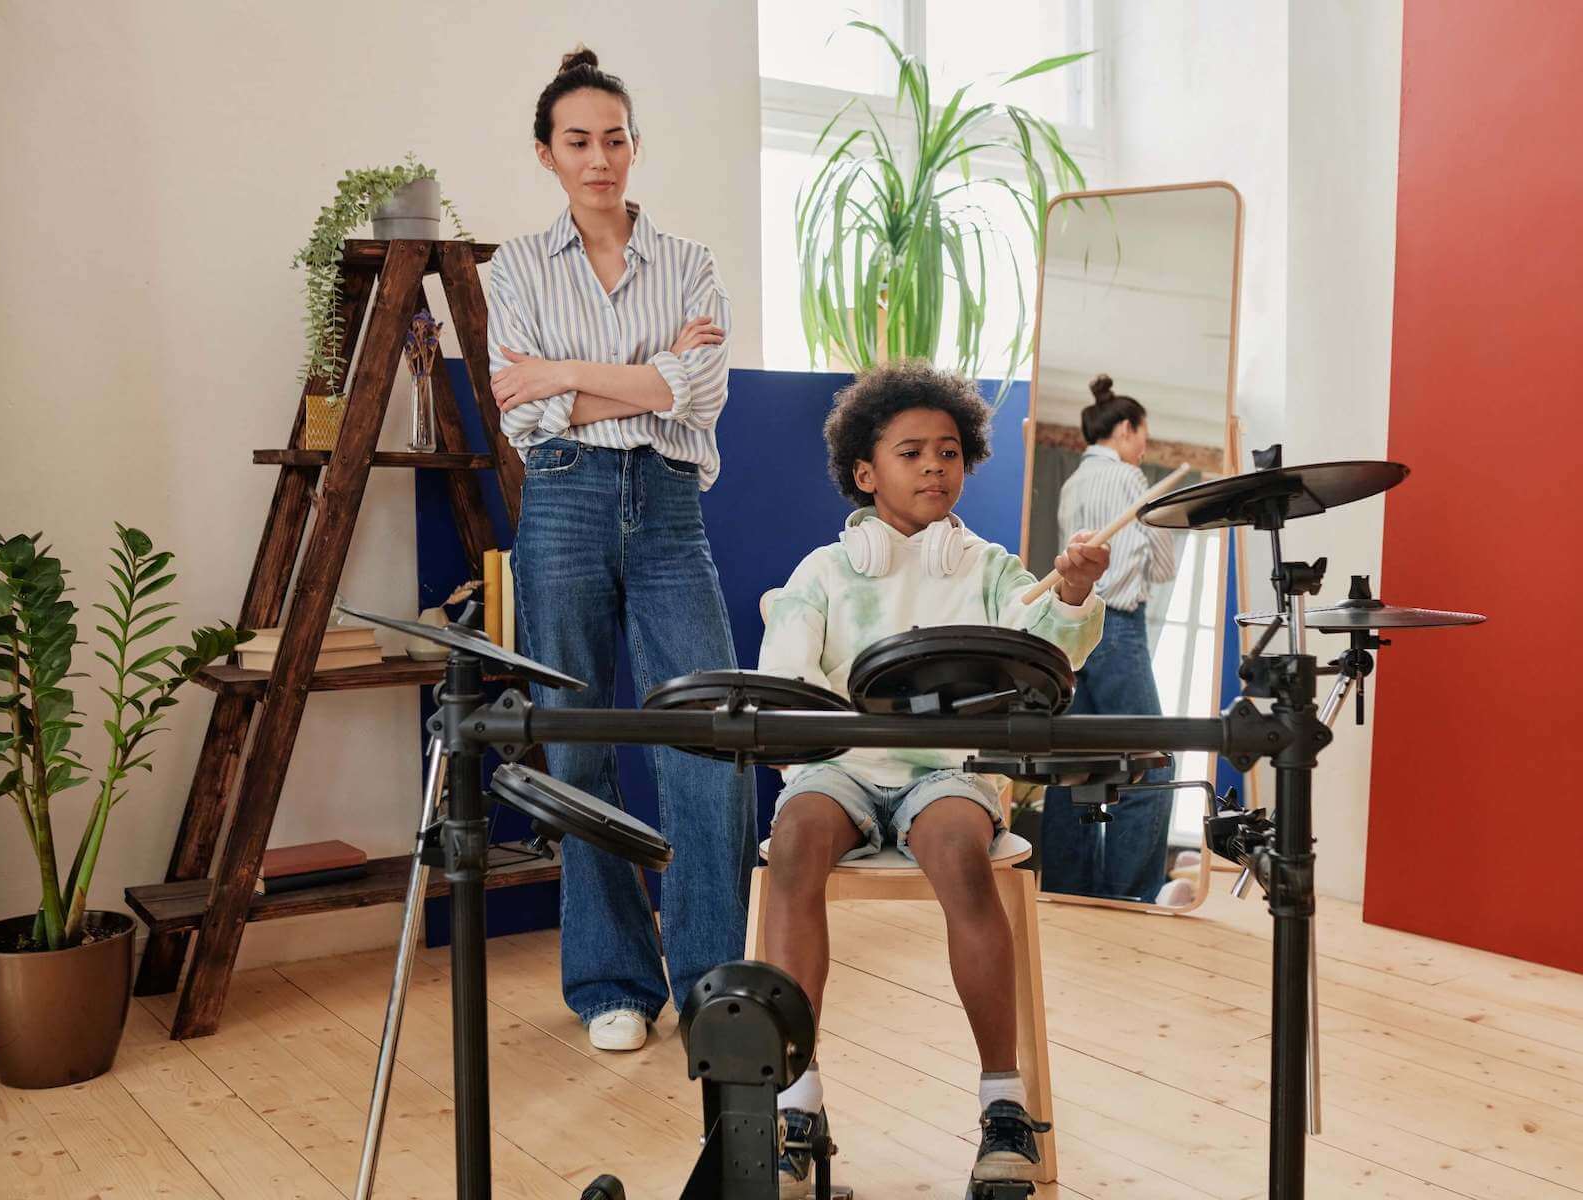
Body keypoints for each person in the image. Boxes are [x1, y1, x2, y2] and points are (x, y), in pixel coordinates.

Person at [756, 360, 1108, 1194]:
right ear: (865, 473)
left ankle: (1003, 1106)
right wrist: (799, 713)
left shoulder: (987, 569)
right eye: (910, 452)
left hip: (947, 773)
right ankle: (797, 1107)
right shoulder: (824, 572)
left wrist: (1076, 590)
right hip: (841, 767)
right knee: (795, 839)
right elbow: (786, 673)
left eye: (948, 451)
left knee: (956, 848)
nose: (933, 467)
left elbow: (1050, 652)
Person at [486, 47, 753, 1052]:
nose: (600, 159)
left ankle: (713, 978)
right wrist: (647, 376)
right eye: (578, 142)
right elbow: (528, 410)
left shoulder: (689, 262)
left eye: (615, 139)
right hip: (562, 504)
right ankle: (611, 983)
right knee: (575, 739)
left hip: (671, 507)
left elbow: (703, 390)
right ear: (548, 154)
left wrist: (567, 373)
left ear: (635, 146)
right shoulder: (511, 266)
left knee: (710, 739)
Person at [1043, 374, 1183, 904]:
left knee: (1074, 767)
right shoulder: (1128, 480)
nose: (1143, 446)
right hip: (1118, 629)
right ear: (1125, 430)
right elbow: (1164, 565)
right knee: (1154, 766)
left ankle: (1068, 893)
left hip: (1074, 631)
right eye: (1142, 435)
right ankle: (1127, 899)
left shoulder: (1072, 483)